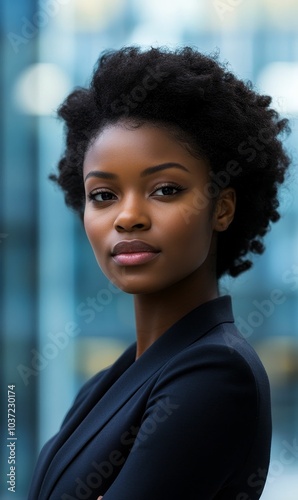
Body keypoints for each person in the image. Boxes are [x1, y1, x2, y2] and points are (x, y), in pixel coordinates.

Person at [28, 46, 291, 499]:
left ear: (222, 207)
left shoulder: (215, 372)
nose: (127, 217)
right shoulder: (106, 381)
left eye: (165, 189)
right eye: (104, 195)